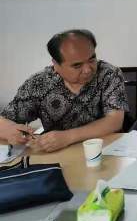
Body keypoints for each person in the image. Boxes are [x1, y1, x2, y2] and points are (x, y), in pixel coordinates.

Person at [0, 29, 128, 152]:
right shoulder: (38, 84)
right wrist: (11, 130)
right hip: (58, 154)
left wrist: (68, 137)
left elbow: (114, 121)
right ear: (56, 64)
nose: (88, 69)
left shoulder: (108, 74)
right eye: (77, 65)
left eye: (91, 59)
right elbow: (3, 121)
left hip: (104, 149)